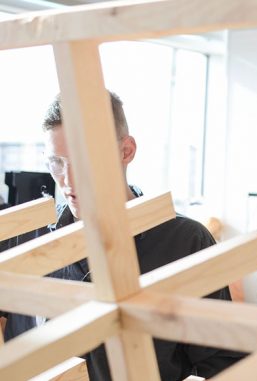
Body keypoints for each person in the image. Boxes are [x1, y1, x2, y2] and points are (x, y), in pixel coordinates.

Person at [4, 91, 243, 380]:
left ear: (126, 151)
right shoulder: (26, 235)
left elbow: (223, 365)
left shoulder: (186, 242)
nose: (69, 180)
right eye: (56, 162)